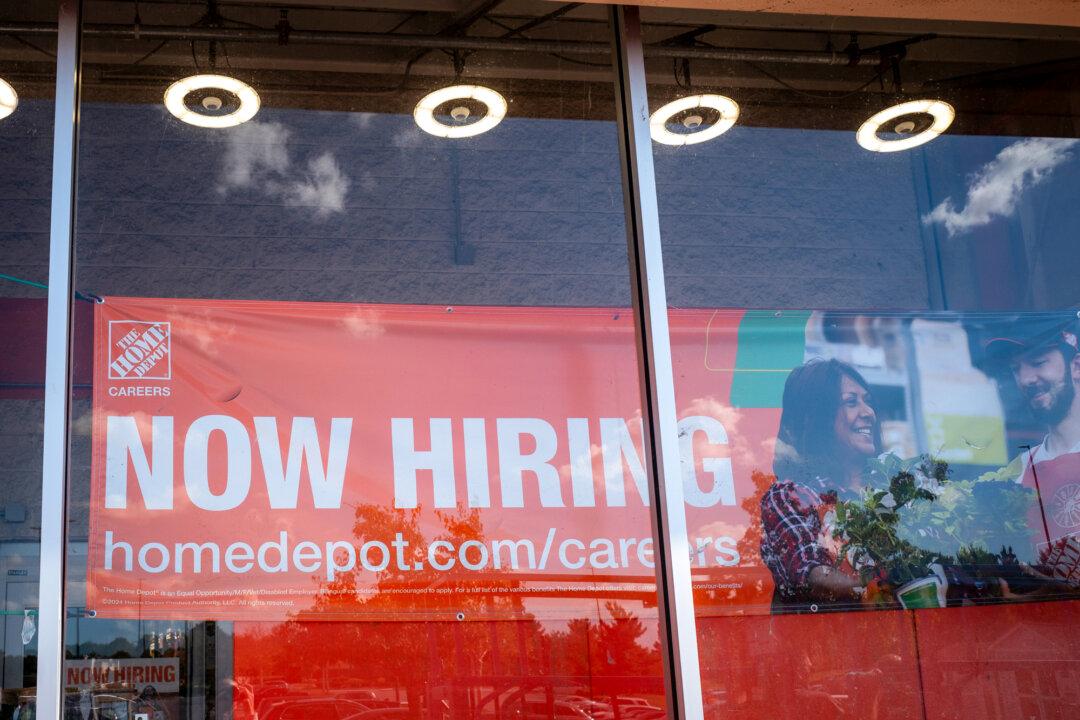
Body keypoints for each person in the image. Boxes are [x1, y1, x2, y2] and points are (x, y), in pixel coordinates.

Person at [760, 358, 883, 611]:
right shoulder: (794, 496)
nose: (868, 413)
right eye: (851, 402)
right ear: (819, 417)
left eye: (867, 401)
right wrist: (882, 594)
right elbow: (810, 574)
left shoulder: (893, 491)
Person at [985, 314, 1080, 586]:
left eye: (1038, 363)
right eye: (1017, 369)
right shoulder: (1017, 472)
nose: (1026, 378)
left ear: (1076, 367)